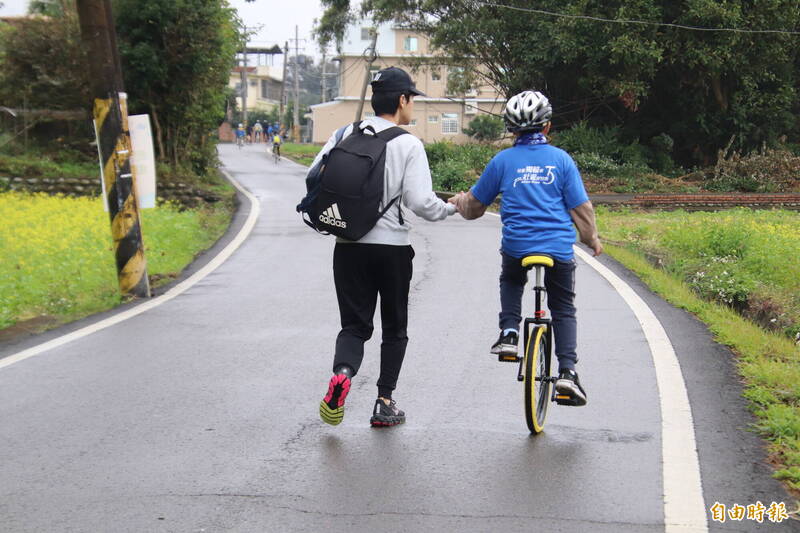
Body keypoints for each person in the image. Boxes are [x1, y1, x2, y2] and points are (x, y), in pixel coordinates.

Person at [312, 66, 456, 427]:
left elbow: (313, 175)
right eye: (412, 100)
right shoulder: (408, 143)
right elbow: (422, 202)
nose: (413, 107)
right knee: (394, 328)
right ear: (402, 100)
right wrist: (453, 207)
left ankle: (343, 373)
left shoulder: (343, 133)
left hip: (348, 244)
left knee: (354, 327)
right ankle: (384, 401)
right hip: (391, 249)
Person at [449, 90, 602, 407]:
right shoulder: (562, 161)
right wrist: (592, 240)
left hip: (518, 246)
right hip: (558, 249)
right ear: (547, 126)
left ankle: (508, 334)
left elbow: (476, 205)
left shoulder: (502, 161)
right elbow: (581, 210)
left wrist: (458, 203)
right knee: (562, 307)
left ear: (511, 128)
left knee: (511, 278)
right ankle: (568, 373)